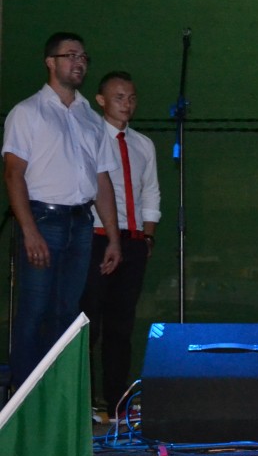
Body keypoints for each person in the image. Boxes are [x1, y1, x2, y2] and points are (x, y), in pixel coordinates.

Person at [2, 32, 122, 388]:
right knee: (34, 311)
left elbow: (101, 180)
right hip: (43, 219)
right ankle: (25, 399)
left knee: (66, 313)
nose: (79, 62)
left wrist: (113, 238)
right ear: (50, 62)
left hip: (81, 223)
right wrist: (29, 231)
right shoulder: (28, 112)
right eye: (70, 55)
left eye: (83, 57)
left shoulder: (90, 117)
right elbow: (13, 174)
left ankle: (57, 396)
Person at [80, 71, 161, 420]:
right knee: (88, 324)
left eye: (131, 97)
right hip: (96, 238)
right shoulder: (89, 138)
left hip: (134, 242)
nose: (127, 104)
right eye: (118, 97)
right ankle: (83, 403)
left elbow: (150, 192)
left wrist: (147, 235)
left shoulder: (143, 144)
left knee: (121, 325)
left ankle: (116, 404)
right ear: (100, 100)